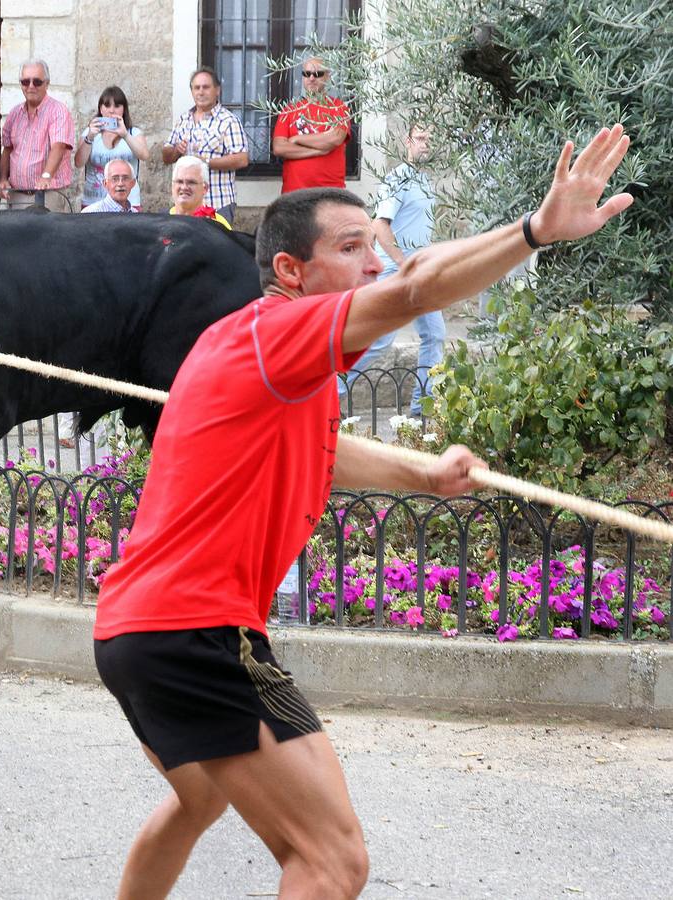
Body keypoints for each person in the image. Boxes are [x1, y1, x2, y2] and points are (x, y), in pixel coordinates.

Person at [91, 124, 632, 900]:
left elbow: (398, 297)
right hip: (195, 633)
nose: (372, 261)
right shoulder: (282, 331)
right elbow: (414, 291)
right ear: (290, 270)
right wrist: (535, 231)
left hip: (140, 631)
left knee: (201, 796)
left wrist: (424, 471)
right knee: (331, 863)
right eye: (350, 249)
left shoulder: (258, 349)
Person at [342, 125, 443, 415]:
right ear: (407, 141)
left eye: (430, 139)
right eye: (421, 138)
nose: (426, 144)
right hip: (397, 270)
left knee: (434, 335)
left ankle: (420, 411)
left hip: (419, 272)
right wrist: (403, 263)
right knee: (377, 342)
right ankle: (328, 390)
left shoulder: (424, 181)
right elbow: (380, 225)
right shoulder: (399, 178)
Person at [162, 67, 248, 219]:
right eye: (197, 88)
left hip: (217, 203)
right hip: (185, 206)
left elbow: (241, 159)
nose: (201, 92)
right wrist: (176, 151)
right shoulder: (183, 120)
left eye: (206, 87)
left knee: (217, 243)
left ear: (217, 90)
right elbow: (166, 157)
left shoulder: (228, 120)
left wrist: (206, 162)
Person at [0, 59, 73, 212]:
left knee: (47, 237)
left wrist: (46, 176)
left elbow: (58, 147)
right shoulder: (14, 114)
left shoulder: (58, 111)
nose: (31, 86)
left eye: (37, 82)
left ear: (47, 83)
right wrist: (3, 179)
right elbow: (7, 150)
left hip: (46, 195)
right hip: (15, 195)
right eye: (26, 81)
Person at [272, 57, 352, 193]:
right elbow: (279, 148)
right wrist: (319, 150)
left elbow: (335, 138)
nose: (312, 78)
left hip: (330, 192)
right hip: (294, 193)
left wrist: (297, 139)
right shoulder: (289, 110)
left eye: (318, 74)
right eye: (307, 74)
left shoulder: (339, 107)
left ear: (327, 77)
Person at [75, 85, 148, 212]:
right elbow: (78, 162)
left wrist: (125, 135)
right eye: (107, 106)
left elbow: (144, 155)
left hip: (129, 201)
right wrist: (90, 136)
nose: (112, 111)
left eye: (117, 106)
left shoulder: (133, 132)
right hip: (93, 201)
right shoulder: (90, 132)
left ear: (124, 109)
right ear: (101, 109)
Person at [168, 155, 230, 228]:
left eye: (191, 182)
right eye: (179, 181)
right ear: (172, 186)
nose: (184, 187)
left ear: (205, 188)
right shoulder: (162, 221)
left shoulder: (218, 224)